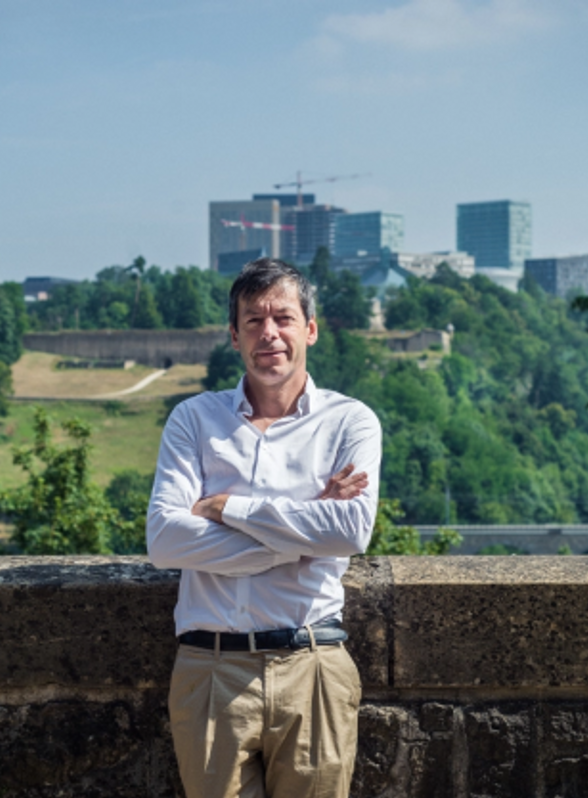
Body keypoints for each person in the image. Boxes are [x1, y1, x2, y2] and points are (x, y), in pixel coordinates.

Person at [147, 257, 382, 798]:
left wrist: (228, 507)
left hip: (313, 664)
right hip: (211, 669)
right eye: (253, 320)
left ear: (311, 330)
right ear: (234, 336)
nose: (269, 333)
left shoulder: (350, 421)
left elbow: (349, 531)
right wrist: (297, 535)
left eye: (283, 318)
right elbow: (165, 540)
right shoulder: (194, 419)